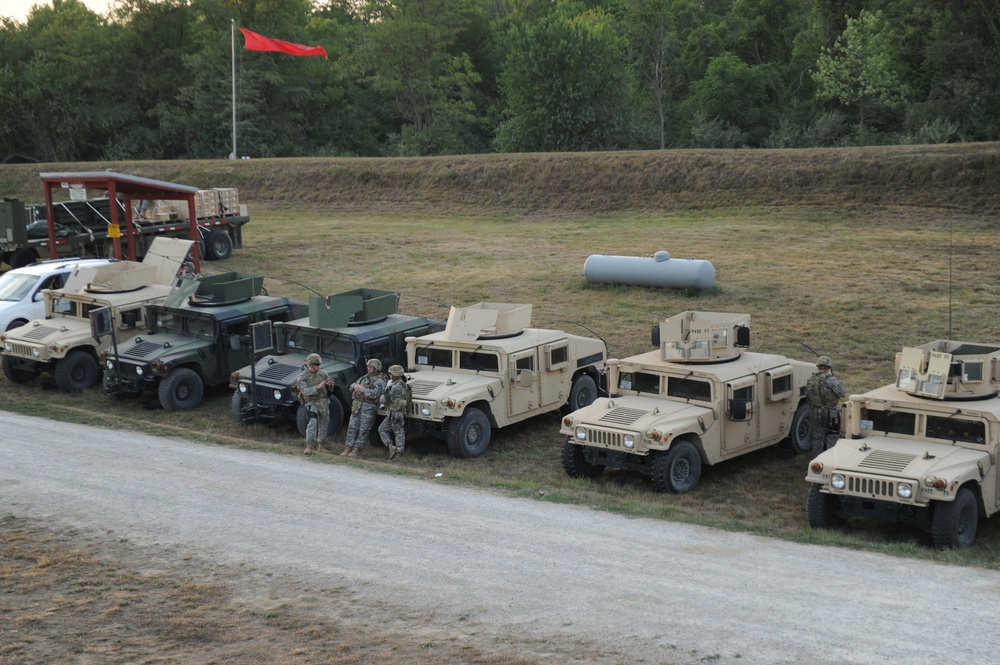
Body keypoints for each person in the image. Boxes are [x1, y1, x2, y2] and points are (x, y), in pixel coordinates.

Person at [342, 358, 386, 457]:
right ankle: (348, 447)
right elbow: (353, 385)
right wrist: (354, 387)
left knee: (363, 429)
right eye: (368, 367)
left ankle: (357, 449)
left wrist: (363, 389)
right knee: (352, 427)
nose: (369, 369)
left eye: (371, 367)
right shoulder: (364, 377)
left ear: (376, 368)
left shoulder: (380, 381)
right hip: (357, 405)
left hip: (369, 407)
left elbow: (375, 394)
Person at [296, 353, 335, 454]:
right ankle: (309, 445)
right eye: (316, 365)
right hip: (311, 401)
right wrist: (317, 387)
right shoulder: (303, 376)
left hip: (323, 401)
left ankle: (321, 445)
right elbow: (304, 391)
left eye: (319, 364)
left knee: (324, 423)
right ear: (311, 365)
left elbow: (329, 389)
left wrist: (330, 385)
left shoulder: (323, 373)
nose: (319, 366)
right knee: (312, 422)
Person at [806, 355, 846, 453]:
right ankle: (830, 459)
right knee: (832, 436)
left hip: (815, 412)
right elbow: (842, 393)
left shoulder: (811, 379)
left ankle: (816, 461)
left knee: (816, 438)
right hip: (830, 413)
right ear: (828, 367)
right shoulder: (831, 380)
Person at [379, 364, 410, 460]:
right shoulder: (397, 384)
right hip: (392, 412)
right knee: (382, 429)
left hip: (397, 413)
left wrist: (382, 396)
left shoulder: (397, 386)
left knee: (398, 432)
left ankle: (399, 453)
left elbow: (384, 399)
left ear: (395, 374)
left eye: (390, 373)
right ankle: (391, 446)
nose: (389, 375)